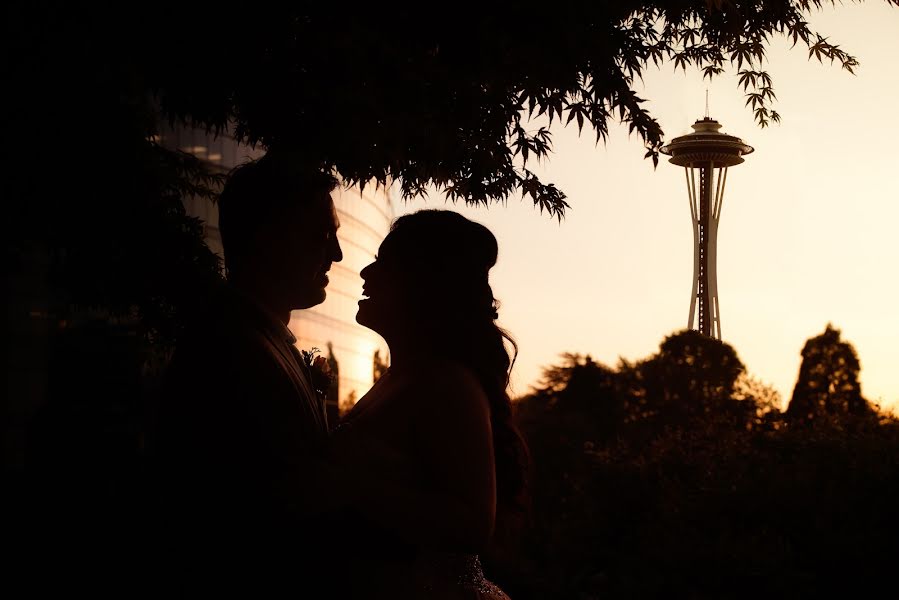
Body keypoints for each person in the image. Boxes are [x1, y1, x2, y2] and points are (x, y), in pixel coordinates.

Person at [151, 150, 343, 593]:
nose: (335, 253)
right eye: (321, 235)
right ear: (269, 237)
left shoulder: (251, 337)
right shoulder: (232, 347)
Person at [326, 209, 529, 599]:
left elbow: (472, 524)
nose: (366, 273)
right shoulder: (401, 377)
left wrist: (345, 487)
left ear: (424, 284)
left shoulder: (446, 383)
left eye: (385, 263)